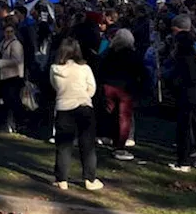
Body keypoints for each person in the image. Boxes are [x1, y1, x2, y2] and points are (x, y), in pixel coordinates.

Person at [49, 38, 102, 190]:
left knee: (63, 145)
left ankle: (62, 179)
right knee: (87, 145)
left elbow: (55, 86)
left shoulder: (54, 69)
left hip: (64, 107)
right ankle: (89, 179)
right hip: (83, 105)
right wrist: (83, 95)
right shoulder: (84, 68)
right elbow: (92, 88)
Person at [167, 29, 196, 172]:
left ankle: (184, 161)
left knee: (184, 130)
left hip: (185, 95)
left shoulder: (181, 60)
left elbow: (176, 79)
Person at [99, 29, 146, 160]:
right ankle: (120, 146)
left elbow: (101, 68)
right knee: (124, 117)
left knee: (111, 113)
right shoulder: (133, 55)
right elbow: (142, 72)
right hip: (125, 89)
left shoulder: (109, 53)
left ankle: (109, 136)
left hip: (109, 86)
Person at [0, 23, 26, 134]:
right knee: (7, 100)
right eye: (6, 32)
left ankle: (17, 123)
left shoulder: (16, 44)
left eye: (11, 32)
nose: (8, 34)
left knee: (13, 101)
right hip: (5, 75)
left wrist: (0, 62)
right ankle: (8, 123)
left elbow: (16, 61)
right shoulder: (3, 42)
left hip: (14, 75)